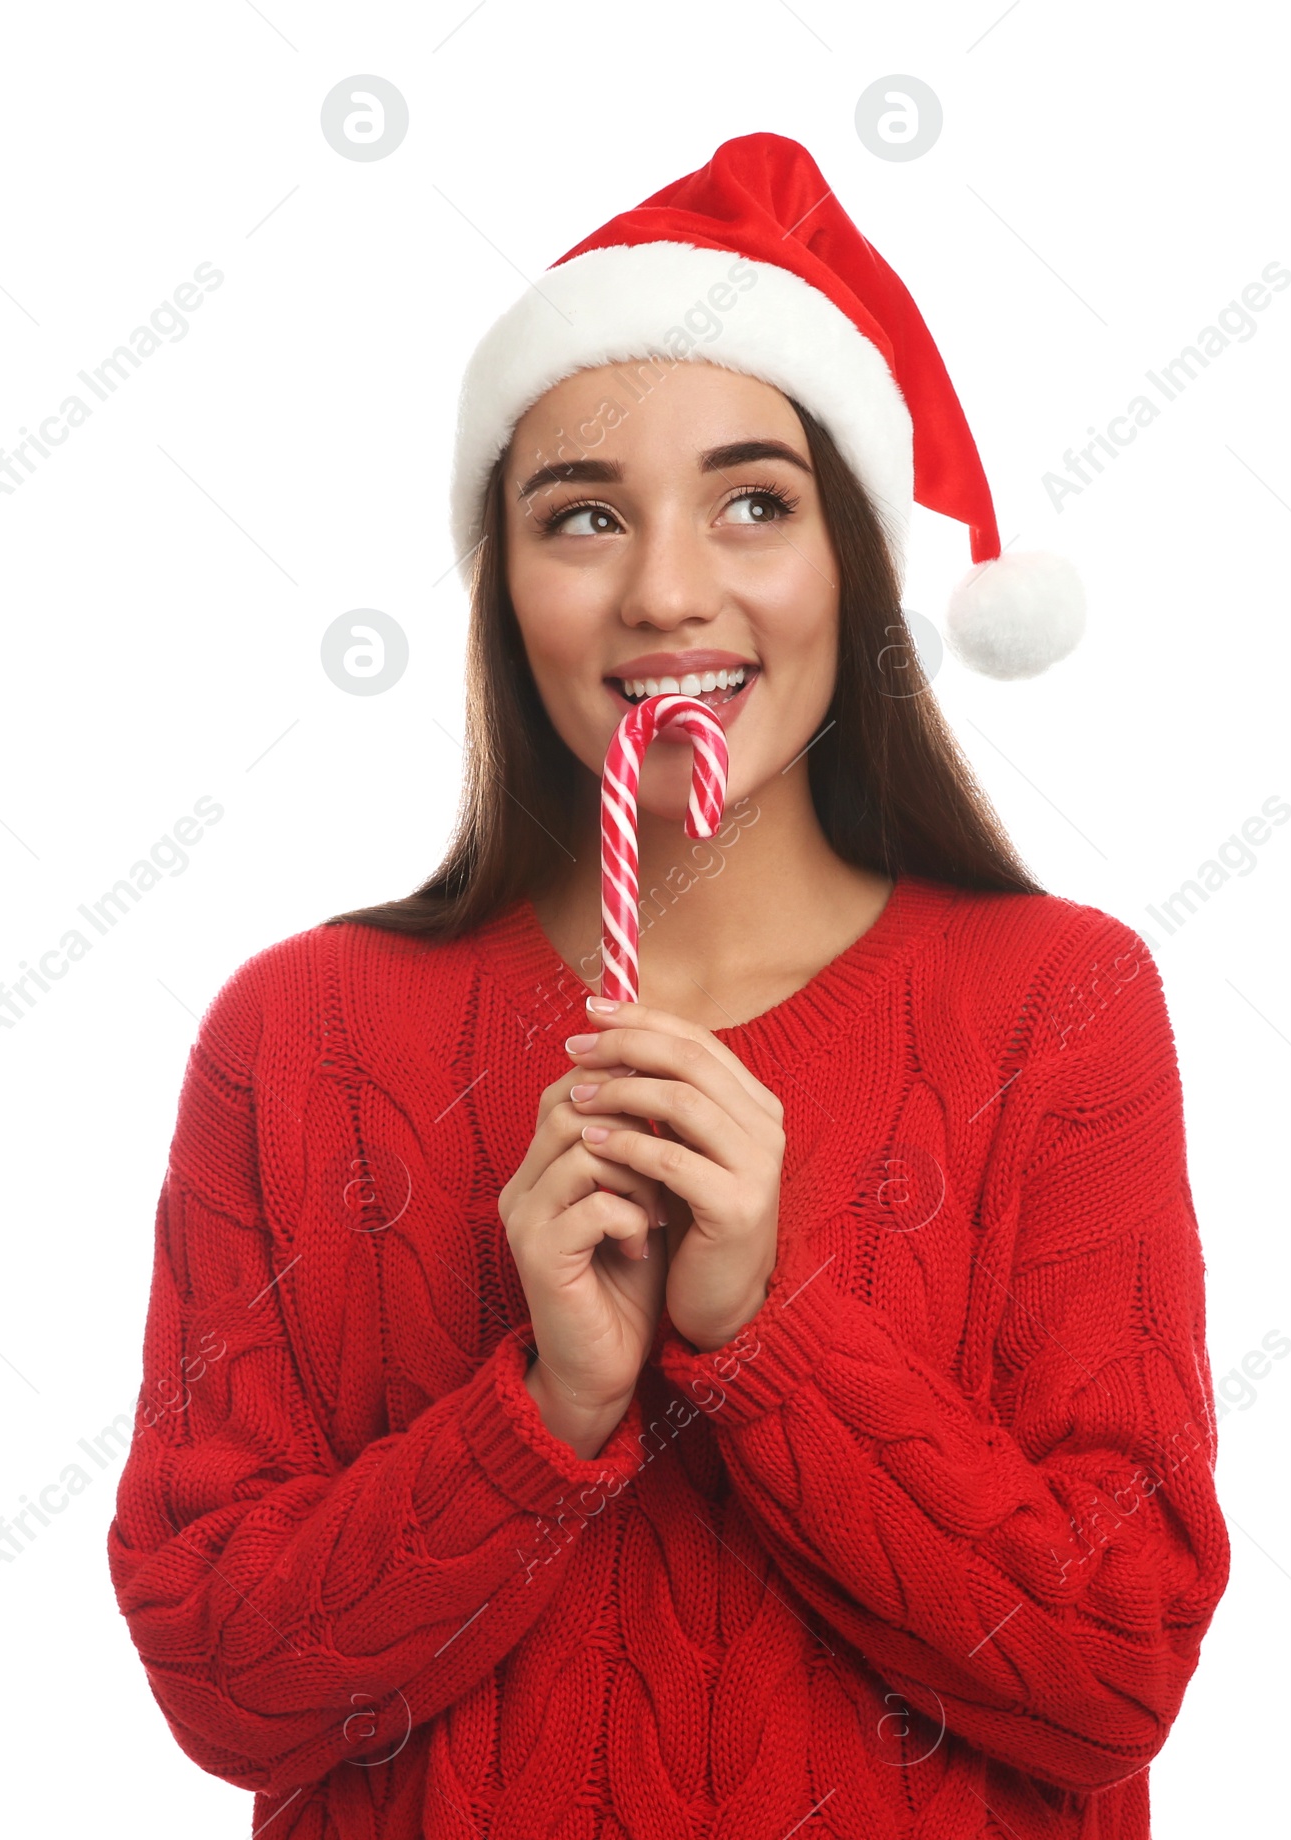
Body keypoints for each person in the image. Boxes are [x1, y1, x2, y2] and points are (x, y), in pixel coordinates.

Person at [108, 133, 1229, 1839]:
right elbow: (228, 1683)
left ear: (848, 558)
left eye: (755, 502)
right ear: (505, 588)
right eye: (583, 517)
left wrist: (757, 1332)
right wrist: (540, 1409)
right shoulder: (299, 1035)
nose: (667, 590)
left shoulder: (1058, 1002)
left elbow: (1110, 1667)